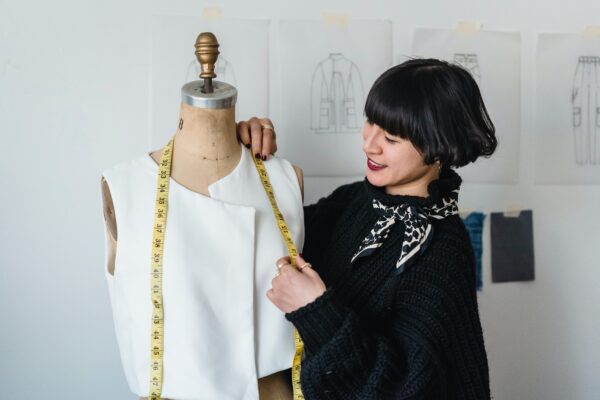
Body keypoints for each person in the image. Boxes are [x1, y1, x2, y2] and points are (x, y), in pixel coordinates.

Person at [237, 58, 497, 399]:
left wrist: (315, 310)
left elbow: (407, 389)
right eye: (371, 121)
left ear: (438, 148)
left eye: (390, 137)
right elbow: (270, 235)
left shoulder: (441, 252)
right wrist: (243, 150)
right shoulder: (357, 200)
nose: (369, 144)